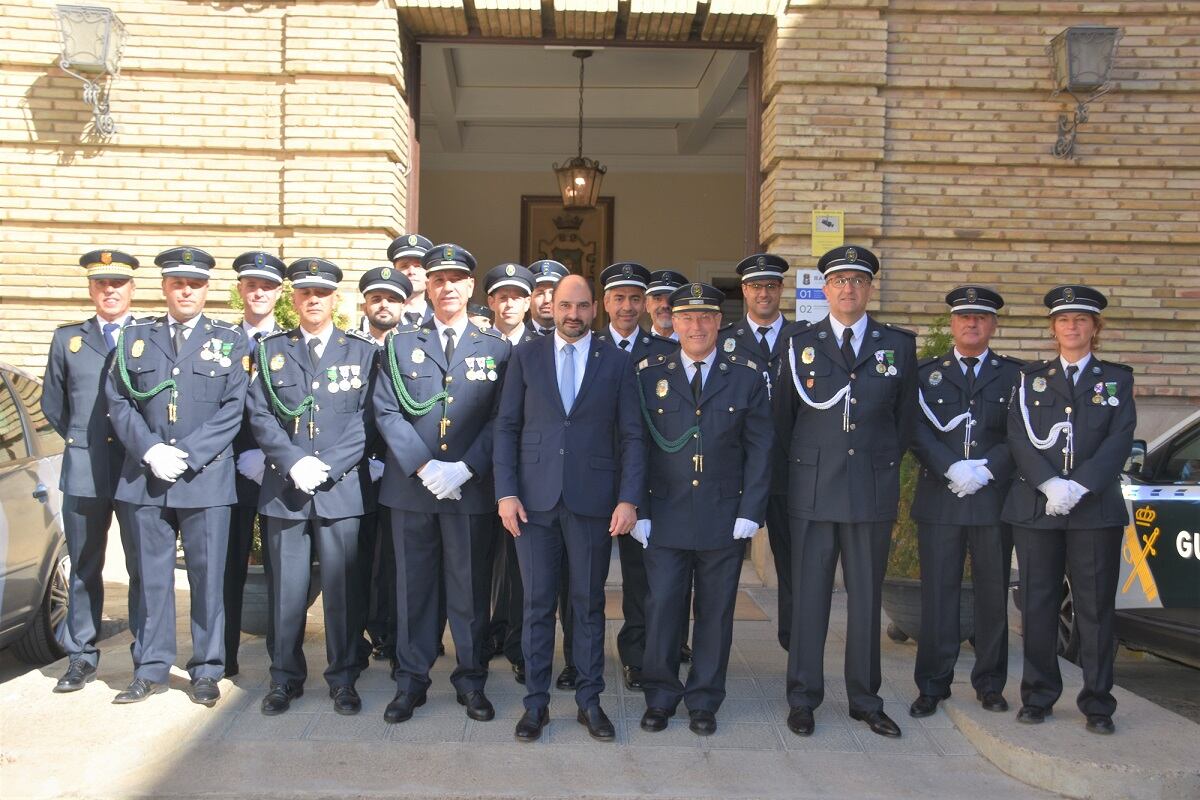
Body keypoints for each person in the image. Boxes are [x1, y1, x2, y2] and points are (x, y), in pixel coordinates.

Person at [774, 245, 917, 738]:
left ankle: (865, 698)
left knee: (864, 600)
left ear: (869, 288)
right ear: (825, 289)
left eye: (858, 280)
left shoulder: (897, 345)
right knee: (809, 598)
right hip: (812, 489)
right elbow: (784, 420)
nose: (849, 288)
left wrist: (878, 464)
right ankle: (803, 697)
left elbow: (904, 421)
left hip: (869, 490)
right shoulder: (800, 344)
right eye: (839, 281)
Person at [494, 274, 644, 743]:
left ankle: (589, 700)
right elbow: (506, 428)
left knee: (588, 604)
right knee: (537, 606)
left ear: (593, 308)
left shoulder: (616, 362)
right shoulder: (525, 356)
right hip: (533, 504)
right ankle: (535, 705)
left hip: (593, 503)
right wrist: (506, 493)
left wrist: (628, 498)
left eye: (581, 306)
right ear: (550, 306)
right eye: (564, 305)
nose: (573, 315)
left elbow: (632, 435)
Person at [373, 244, 512, 725]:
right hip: (412, 491)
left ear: (471, 287)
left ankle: (471, 681)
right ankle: (411, 683)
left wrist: (465, 467)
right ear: (425, 287)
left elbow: (502, 418)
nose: (447, 286)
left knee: (469, 591)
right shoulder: (398, 344)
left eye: (456, 278)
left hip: (469, 490)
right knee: (413, 590)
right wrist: (422, 465)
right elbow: (386, 411)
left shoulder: (496, 348)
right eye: (438, 279)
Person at [105, 246, 248, 707]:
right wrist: (150, 450)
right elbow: (119, 400)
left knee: (208, 578)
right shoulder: (135, 337)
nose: (186, 290)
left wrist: (185, 454)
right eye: (177, 283)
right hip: (144, 478)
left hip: (205, 478)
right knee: (150, 579)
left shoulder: (230, 340)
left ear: (208, 289)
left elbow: (233, 409)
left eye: (196, 284)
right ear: (164, 287)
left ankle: (206, 668)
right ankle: (149, 668)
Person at [633, 282, 772, 737]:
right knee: (663, 610)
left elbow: (760, 448)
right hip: (665, 514)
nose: (696, 326)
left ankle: (704, 699)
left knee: (715, 614)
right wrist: (639, 506)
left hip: (722, 516)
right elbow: (635, 445)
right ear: (674, 321)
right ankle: (660, 695)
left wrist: (751, 509)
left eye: (705, 317)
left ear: (718, 323)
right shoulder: (650, 370)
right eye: (687, 317)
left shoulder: (746, 374)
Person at [248, 257, 378, 716]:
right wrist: (292, 461)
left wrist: (328, 466)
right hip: (286, 491)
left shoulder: (362, 351)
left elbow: (368, 420)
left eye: (321, 293)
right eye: (304, 293)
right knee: (287, 591)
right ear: (294, 299)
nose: (313, 300)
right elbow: (260, 414)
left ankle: (343, 679)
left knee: (343, 593)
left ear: (335, 300)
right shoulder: (270, 350)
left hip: (340, 489)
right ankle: (284, 678)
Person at [1002, 285, 1135, 735]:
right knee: (1037, 604)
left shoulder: (1117, 379)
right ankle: (1038, 695)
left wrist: (1078, 485)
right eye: (1064, 320)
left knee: (1095, 608)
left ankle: (1098, 703)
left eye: (1081, 320)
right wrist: (1049, 483)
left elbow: (1119, 440)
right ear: (1053, 328)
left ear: (1095, 328)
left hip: (1094, 509)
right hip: (1038, 508)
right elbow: (1018, 436)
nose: (1072, 326)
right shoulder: (1029, 378)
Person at [908, 286, 1021, 718]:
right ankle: (933, 684)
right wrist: (950, 467)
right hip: (941, 497)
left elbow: (1022, 433)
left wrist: (986, 469)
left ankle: (991, 683)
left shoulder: (1015, 375)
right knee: (938, 594)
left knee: (992, 595)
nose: (972, 323)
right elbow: (915, 428)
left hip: (992, 499)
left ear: (993, 325)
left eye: (981, 317)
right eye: (964, 317)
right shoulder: (925, 374)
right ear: (952, 324)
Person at [42, 248, 141, 693]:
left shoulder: (147, 337)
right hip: (85, 469)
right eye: (102, 284)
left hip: (138, 469)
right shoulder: (69, 339)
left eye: (118, 284)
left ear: (132, 290)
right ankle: (81, 655)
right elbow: (54, 405)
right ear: (91, 289)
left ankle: (147, 654)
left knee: (143, 566)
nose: (110, 291)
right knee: (84, 565)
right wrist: (82, 440)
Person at [595, 260, 678, 690]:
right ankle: (579, 656)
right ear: (604, 302)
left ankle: (637, 654)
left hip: (643, 480)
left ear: (645, 304)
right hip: (590, 477)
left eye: (634, 298)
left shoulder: (665, 353)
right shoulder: (587, 347)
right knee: (585, 574)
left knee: (642, 573)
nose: (627, 307)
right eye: (618, 298)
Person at [718, 253, 793, 650]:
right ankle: (714, 647)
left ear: (780, 290)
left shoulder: (804, 339)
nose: (763, 293)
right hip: (735, 474)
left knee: (794, 567)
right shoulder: (724, 339)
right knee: (721, 569)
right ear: (744, 291)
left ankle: (795, 643)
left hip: (790, 474)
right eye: (755, 286)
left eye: (771, 286)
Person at [225, 251, 286, 678]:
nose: (259, 292)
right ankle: (223, 655)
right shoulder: (220, 342)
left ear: (280, 293)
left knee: (287, 572)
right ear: (241, 291)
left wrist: (270, 454)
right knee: (229, 568)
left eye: (267, 286)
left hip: (279, 472)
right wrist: (236, 455)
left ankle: (283, 660)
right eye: (251, 285)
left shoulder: (290, 342)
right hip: (228, 473)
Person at [480, 263, 538, 676]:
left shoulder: (543, 345)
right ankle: (484, 635)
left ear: (529, 301)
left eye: (517, 295)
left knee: (520, 567)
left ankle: (518, 645)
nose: (509, 302)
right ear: (490, 302)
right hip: (474, 473)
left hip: (526, 475)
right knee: (480, 561)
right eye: (502, 296)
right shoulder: (475, 342)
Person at [356, 265, 414, 668]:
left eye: (392, 299)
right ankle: (360, 635)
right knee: (356, 559)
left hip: (400, 468)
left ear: (404, 305)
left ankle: (392, 636)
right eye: (377, 298)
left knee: (395, 560)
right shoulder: (350, 346)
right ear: (365, 304)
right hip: (355, 468)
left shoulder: (413, 344)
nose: (384, 305)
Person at [387, 234, 435, 326]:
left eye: (418, 266)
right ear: (395, 271)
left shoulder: (442, 321)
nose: (411, 271)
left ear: (428, 273)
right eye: (404, 266)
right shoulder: (376, 322)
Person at [526, 260, 568, 336]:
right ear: (528, 301)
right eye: (540, 294)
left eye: (553, 293)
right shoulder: (516, 340)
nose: (547, 300)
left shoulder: (575, 337)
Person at [645, 269, 688, 340]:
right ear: (647, 305)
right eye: (658, 299)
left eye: (671, 299)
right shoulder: (636, 346)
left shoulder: (693, 347)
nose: (665, 305)